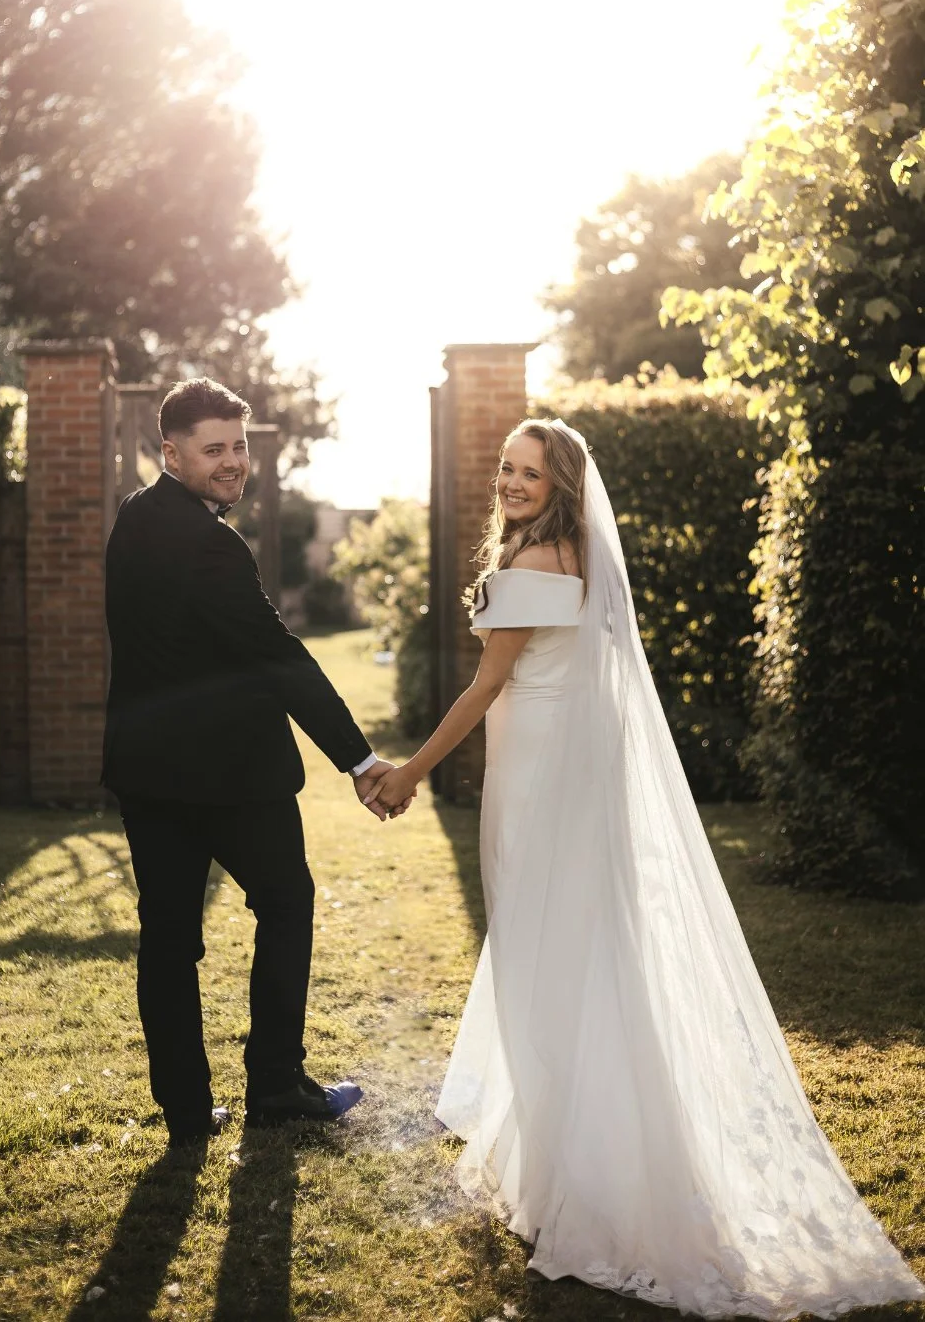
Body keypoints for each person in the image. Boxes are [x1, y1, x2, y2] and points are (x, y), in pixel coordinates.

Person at [365, 419, 924, 1316]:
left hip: (539, 777)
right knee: (584, 950)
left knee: (542, 952)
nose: (510, 483)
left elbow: (484, 686)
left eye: (529, 474)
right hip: (572, 771)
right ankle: (580, 1154)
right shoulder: (583, 555)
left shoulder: (532, 570)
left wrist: (408, 773)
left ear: (561, 485)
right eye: (505, 469)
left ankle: (579, 1180)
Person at [103, 377, 411, 1146]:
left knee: (168, 938)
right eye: (215, 451)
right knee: (286, 905)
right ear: (170, 453)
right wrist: (358, 757)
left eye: (239, 446)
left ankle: (185, 1111)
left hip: (148, 771)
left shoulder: (133, 520)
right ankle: (275, 1083)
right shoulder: (211, 543)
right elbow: (277, 656)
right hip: (233, 777)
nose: (234, 463)